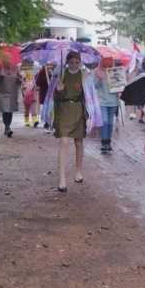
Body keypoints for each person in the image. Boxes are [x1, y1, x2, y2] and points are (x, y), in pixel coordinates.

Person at [52, 51, 101, 192]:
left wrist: (90, 114)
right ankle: (62, 178)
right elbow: (53, 97)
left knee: (78, 142)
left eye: (77, 62)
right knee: (64, 142)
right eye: (71, 62)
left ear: (80, 62)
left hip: (79, 111)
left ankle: (78, 170)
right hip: (63, 111)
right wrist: (58, 90)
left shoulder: (85, 75)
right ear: (67, 62)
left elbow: (91, 94)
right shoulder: (60, 74)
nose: (74, 65)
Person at [0, 60, 22, 137]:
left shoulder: (15, 68)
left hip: (12, 93)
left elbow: (20, 80)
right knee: (5, 110)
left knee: (10, 111)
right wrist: (0, 76)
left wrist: (19, 79)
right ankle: (7, 127)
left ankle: (7, 126)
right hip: (2, 93)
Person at [94, 65, 120, 153]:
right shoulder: (98, 71)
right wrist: (100, 79)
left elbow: (120, 86)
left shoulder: (116, 71)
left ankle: (108, 142)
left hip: (113, 101)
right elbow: (95, 86)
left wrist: (120, 86)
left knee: (110, 123)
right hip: (102, 101)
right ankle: (104, 142)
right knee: (104, 121)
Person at [35, 63, 54, 131]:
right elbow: (37, 83)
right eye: (48, 65)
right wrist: (45, 74)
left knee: (51, 108)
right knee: (45, 109)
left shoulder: (53, 72)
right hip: (44, 94)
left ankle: (49, 123)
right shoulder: (41, 72)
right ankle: (46, 122)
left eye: (50, 65)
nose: (49, 66)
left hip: (52, 94)